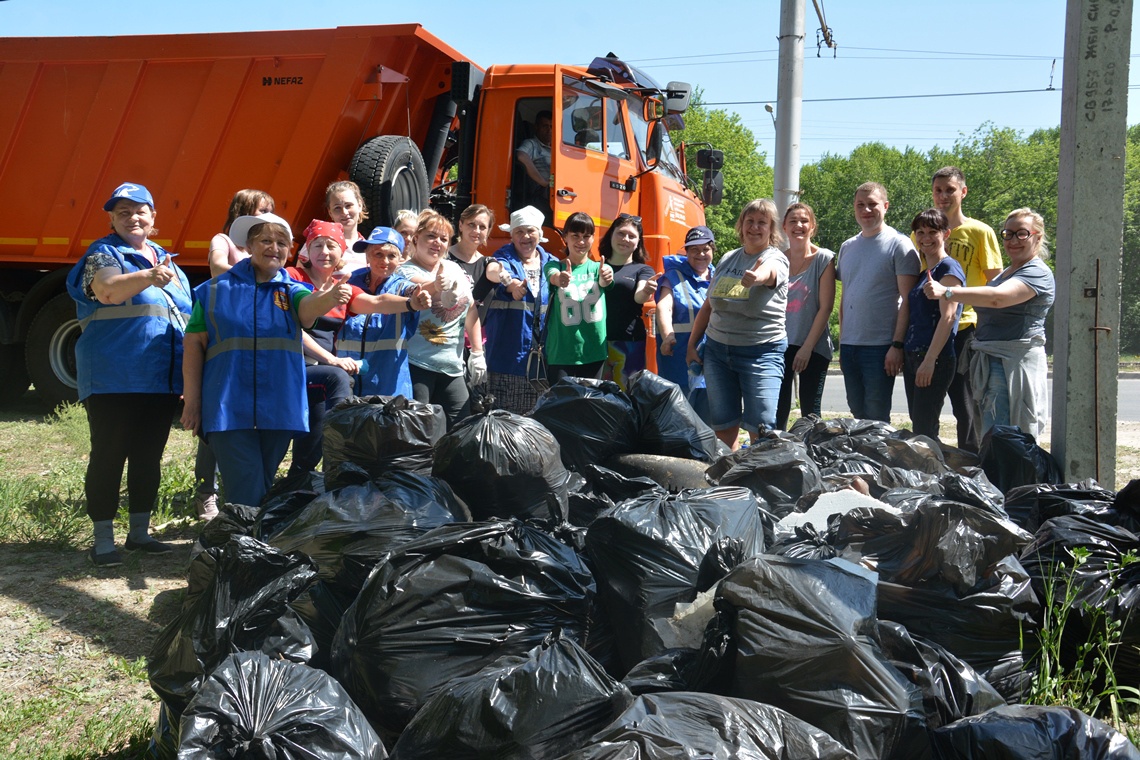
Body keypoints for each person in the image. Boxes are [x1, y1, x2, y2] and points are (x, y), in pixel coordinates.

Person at [180, 213, 352, 508]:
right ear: (248, 245)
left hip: (279, 407)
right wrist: (193, 402)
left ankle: (243, 542)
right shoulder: (213, 292)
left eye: (282, 243)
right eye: (266, 240)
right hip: (227, 407)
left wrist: (329, 297)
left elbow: (308, 310)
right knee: (247, 487)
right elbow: (193, 345)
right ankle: (244, 543)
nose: (275, 247)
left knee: (259, 484)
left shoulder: (293, 290)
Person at [65, 182, 193, 566]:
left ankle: (140, 535)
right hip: (113, 378)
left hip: (160, 380)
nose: (133, 217)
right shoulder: (103, 254)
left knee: (148, 458)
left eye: (140, 211)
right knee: (109, 455)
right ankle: (103, 541)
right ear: (111, 219)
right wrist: (148, 277)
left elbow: (187, 322)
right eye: (123, 212)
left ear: (153, 218)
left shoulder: (171, 266)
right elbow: (106, 291)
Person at [923, 208, 1055, 440]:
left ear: (1038, 237)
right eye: (1008, 234)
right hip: (993, 360)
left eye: (1021, 234)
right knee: (991, 435)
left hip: (1013, 364)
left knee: (1008, 438)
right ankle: (995, 475)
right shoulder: (1008, 272)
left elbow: (997, 298)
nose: (1013, 240)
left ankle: (1009, 478)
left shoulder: (1036, 272)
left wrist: (948, 292)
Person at [197, 188, 275, 520]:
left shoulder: (268, 247)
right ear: (242, 212)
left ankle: (246, 493)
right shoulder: (224, 241)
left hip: (259, 338)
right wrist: (249, 277)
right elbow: (217, 267)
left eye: (270, 209)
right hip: (228, 334)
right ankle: (205, 493)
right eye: (261, 209)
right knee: (218, 417)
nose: (267, 214)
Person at [687, 199, 789, 449]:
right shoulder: (729, 258)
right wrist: (692, 344)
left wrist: (757, 277)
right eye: (750, 221)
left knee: (761, 427)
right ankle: (731, 479)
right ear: (741, 225)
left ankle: (760, 479)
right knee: (723, 425)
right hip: (717, 353)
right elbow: (709, 305)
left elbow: (771, 272)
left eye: (762, 223)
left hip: (761, 353)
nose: (755, 227)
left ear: (772, 228)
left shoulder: (776, 258)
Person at [926, 166, 1004, 451]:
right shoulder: (924, 232)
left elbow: (996, 282)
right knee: (927, 403)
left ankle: (972, 463)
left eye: (950, 189)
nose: (943, 196)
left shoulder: (980, 231)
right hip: (930, 329)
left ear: (963, 191)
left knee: (965, 404)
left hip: (965, 328)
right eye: (938, 190)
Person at [835, 182, 921, 422]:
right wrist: (842, 343)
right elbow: (846, 296)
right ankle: (862, 460)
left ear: (885, 206)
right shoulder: (847, 247)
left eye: (872, 204)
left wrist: (897, 345)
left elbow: (908, 301)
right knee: (857, 412)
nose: (866, 210)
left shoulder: (899, 244)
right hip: (850, 345)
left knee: (876, 417)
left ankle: (878, 460)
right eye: (860, 205)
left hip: (881, 346)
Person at [284, 220, 359, 475]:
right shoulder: (294, 277)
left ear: (341, 252)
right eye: (317, 245)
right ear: (307, 249)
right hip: (292, 367)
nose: (324, 252)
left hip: (318, 374)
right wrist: (332, 359)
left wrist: (413, 302)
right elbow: (292, 328)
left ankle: (303, 485)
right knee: (338, 377)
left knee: (308, 450)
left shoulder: (343, 285)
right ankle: (340, 460)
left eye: (331, 246)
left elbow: (377, 300)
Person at [397, 211, 482, 428]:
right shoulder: (403, 271)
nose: (438, 243)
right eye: (431, 236)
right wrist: (436, 286)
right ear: (416, 238)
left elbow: (471, 309)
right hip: (417, 364)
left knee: (461, 430)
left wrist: (477, 353)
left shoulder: (454, 268)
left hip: (453, 367)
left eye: (444, 239)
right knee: (418, 431)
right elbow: (417, 289)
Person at [484, 205, 559, 413]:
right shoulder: (503, 258)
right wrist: (512, 286)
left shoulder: (552, 263)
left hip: (542, 361)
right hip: (506, 358)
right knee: (505, 420)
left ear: (540, 234)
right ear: (511, 235)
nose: (525, 236)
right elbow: (498, 272)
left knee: (535, 419)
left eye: (530, 231)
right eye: (519, 231)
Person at [340, 226, 431, 397]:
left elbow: (414, 291)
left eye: (392, 256)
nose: (385, 261)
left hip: (388, 384)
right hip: (348, 379)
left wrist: (420, 298)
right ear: (367, 256)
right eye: (378, 254)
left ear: (401, 259)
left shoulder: (401, 286)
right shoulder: (350, 280)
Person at [903, 209, 965, 440]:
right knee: (919, 424)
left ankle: (933, 475)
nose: (925, 238)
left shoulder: (948, 269)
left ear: (946, 234)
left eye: (932, 232)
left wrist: (929, 361)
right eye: (920, 232)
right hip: (914, 355)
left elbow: (948, 318)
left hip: (934, 358)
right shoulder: (925, 272)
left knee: (925, 429)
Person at [776, 203, 836, 430]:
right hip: (780, 345)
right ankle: (778, 457)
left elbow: (826, 307)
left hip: (813, 346)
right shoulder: (778, 259)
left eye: (804, 221)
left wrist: (806, 348)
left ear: (812, 227)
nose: (798, 226)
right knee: (778, 409)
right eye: (793, 221)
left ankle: (813, 458)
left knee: (810, 414)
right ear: (784, 226)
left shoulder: (824, 259)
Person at [544, 211, 614, 382]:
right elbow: (552, 275)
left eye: (586, 236)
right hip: (561, 353)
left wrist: (605, 278)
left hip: (594, 352)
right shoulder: (554, 265)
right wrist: (559, 278)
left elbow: (606, 280)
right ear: (565, 237)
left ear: (593, 238)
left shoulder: (600, 268)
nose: (581, 241)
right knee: (562, 406)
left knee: (589, 406)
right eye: (575, 235)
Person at [656, 225, 716, 420]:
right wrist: (667, 337)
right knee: (680, 418)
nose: (700, 254)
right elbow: (664, 308)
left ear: (713, 250)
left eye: (705, 249)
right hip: (678, 358)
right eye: (694, 250)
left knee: (709, 419)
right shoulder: (673, 277)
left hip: (714, 360)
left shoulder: (720, 276)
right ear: (687, 252)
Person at [600, 213, 658, 390]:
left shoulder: (643, 270)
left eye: (632, 236)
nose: (625, 239)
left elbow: (639, 296)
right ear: (611, 234)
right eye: (621, 233)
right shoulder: (596, 266)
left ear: (638, 242)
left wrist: (647, 291)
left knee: (626, 398)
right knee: (594, 399)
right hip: (596, 343)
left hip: (629, 344)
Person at [206, 189, 275, 277]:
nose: (270, 216)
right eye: (263, 211)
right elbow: (217, 267)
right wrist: (253, 277)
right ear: (245, 212)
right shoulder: (222, 240)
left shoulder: (261, 244)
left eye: (271, 212)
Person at [515, 109, 553, 223]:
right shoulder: (532, 144)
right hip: (541, 196)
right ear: (536, 127)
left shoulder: (556, 148)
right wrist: (543, 182)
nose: (549, 130)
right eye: (545, 126)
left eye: (551, 126)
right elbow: (521, 155)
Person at [325, 180, 368, 270]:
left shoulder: (369, 249)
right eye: (337, 208)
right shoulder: (318, 244)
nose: (344, 212)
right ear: (330, 212)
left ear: (359, 205)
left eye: (348, 205)